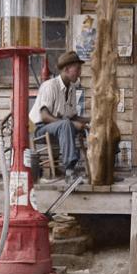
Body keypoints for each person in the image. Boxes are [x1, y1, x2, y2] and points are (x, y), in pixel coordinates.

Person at [29, 51, 91, 185]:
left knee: (95, 125)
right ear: (67, 69)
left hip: (61, 127)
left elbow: (72, 116)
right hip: (41, 128)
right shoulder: (50, 85)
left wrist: (91, 120)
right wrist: (71, 123)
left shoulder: (72, 89)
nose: (79, 73)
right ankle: (69, 172)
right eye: (77, 69)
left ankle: (103, 169)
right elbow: (44, 116)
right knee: (66, 124)